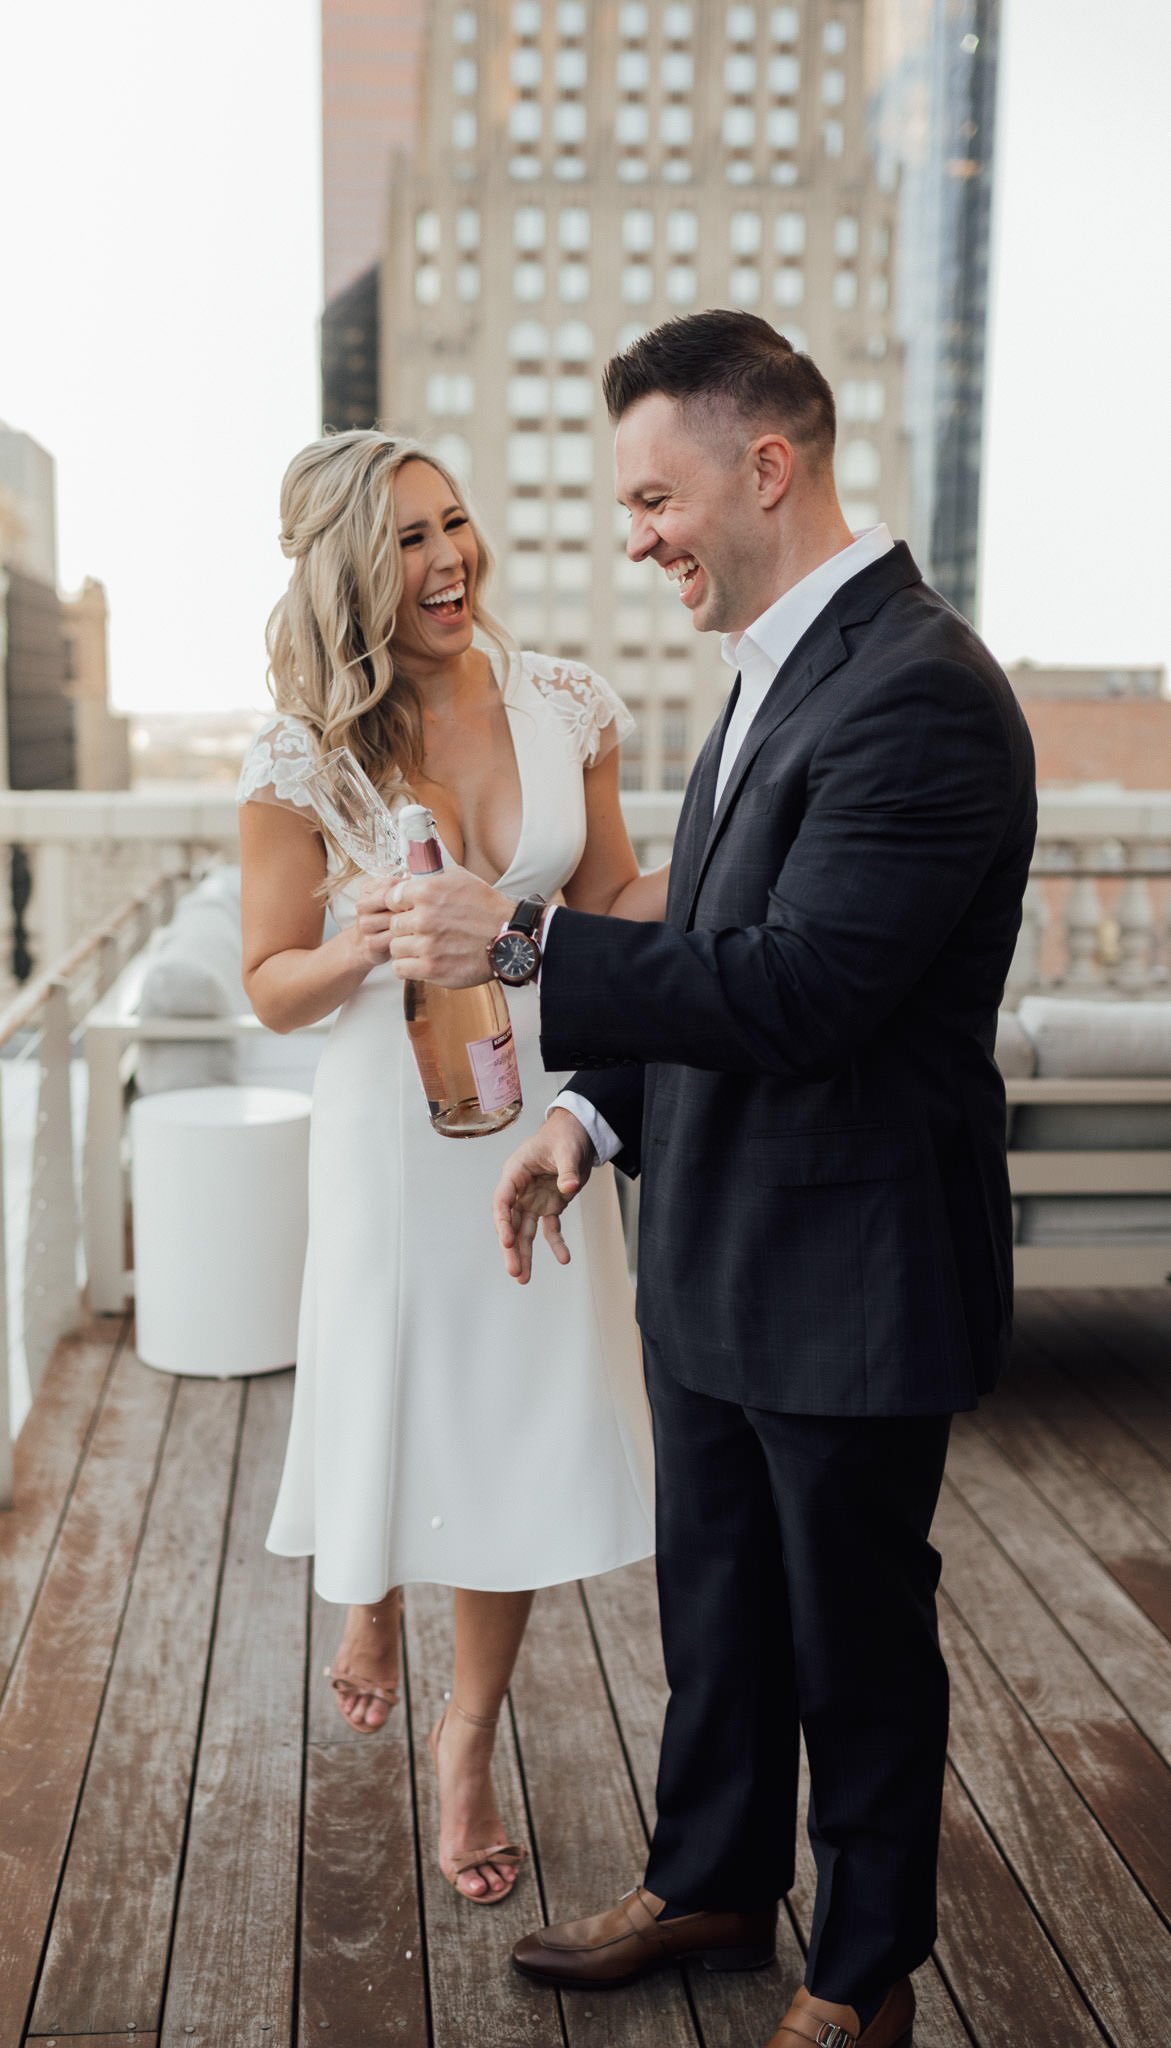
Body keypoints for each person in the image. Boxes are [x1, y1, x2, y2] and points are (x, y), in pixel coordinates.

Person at [383, 312, 1036, 2046]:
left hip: (859, 1273)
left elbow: (802, 989)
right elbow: (714, 942)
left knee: (859, 1644)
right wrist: (586, 1122)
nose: (638, 536)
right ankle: (712, 1886)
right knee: (724, 1604)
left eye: (657, 496)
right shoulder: (768, 664)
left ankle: (862, 1974)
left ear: (771, 468)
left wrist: (520, 941)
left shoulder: (924, 695)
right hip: (723, 1252)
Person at [237, 429, 660, 1906]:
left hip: (542, 1101)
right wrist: (362, 933)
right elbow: (269, 983)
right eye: (411, 539)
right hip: (389, 1112)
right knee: (393, 1373)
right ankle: (370, 1594)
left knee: (523, 1416)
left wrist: (746, 864)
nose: (449, 560)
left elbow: (609, 899)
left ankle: (465, 1731)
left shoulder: (564, 704)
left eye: (457, 525)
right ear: (358, 569)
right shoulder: (308, 751)